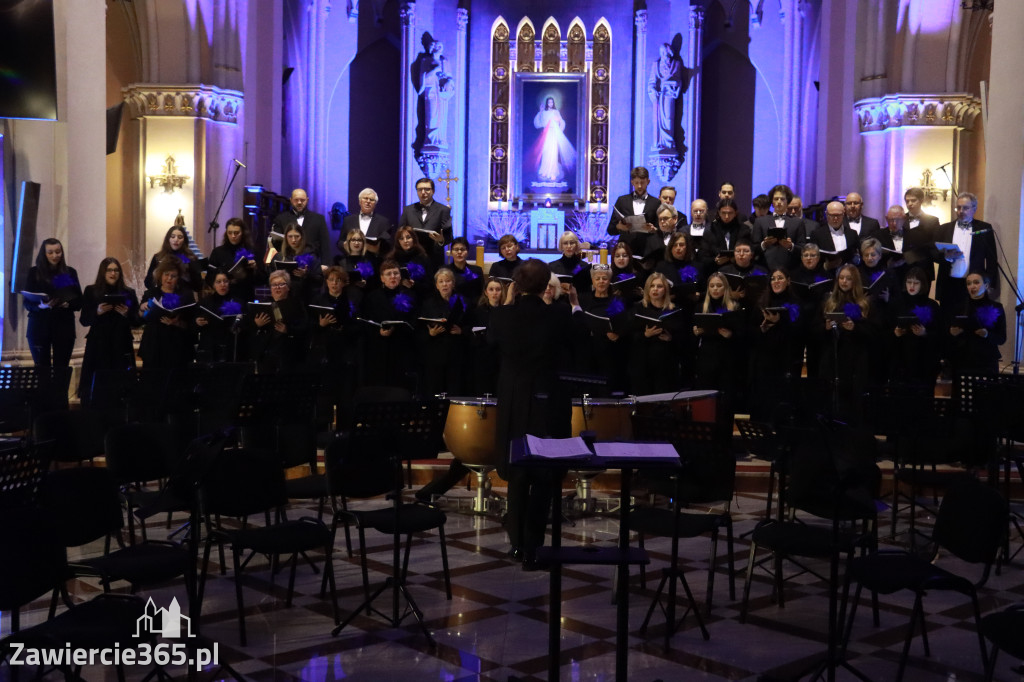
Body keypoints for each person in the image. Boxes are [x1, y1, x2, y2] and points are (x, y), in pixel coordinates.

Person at [489, 259, 575, 564]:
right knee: (544, 473)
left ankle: (516, 542)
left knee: (518, 473)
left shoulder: (501, 316)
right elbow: (575, 341)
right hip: (546, 401)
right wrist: (572, 305)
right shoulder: (559, 315)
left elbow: (491, 344)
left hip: (514, 401)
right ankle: (534, 544)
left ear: (516, 286)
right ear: (546, 287)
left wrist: (509, 303)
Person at [23, 238, 83, 405]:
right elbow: (27, 302)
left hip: (63, 325)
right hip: (39, 325)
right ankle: (42, 410)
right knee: (41, 370)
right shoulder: (35, 273)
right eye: (50, 252)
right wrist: (41, 305)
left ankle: (60, 408)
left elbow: (79, 301)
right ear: (44, 253)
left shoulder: (68, 273)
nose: (55, 255)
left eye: (58, 251)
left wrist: (67, 303)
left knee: (60, 371)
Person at [820, 265, 879, 423]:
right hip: (834, 358)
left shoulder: (864, 304)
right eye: (841, 278)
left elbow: (874, 333)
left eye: (848, 278)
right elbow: (815, 332)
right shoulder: (830, 302)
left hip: (855, 359)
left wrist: (855, 328)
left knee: (852, 402)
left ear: (855, 281)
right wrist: (825, 328)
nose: (844, 281)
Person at [78, 257, 137, 404]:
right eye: (109, 270)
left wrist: (126, 314)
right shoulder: (91, 291)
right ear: (103, 272)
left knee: (120, 384)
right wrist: (96, 312)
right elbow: (84, 320)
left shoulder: (128, 293)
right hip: (98, 343)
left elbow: (136, 321)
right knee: (97, 385)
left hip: (121, 342)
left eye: (116, 270)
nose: (113, 273)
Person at [749, 268, 803, 419]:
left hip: (786, 359)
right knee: (763, 401)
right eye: (773, 278)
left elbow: (800, 332)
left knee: (782, 402)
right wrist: (762, 329)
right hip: (764, 360)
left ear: (788, 281)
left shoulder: (796, 303)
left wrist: (781, 321)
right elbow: (750, 330)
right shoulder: (761, 302)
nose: (776, 281)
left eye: (780, 278)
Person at [933, 191, 998, 316]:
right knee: (947, 321)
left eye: (965, 208)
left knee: (972, 320)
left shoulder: (984, 229)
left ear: (974, 209)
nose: (961, 211)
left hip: (974, 284)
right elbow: (933, 253)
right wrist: (945, 256)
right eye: (958, 207)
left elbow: (991, 259)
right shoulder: (944, 229)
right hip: (949, 284)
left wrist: (990, 284)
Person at [361, 259, 419, 391]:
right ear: (382, 278)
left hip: (402, 348)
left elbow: (414, 320)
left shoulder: (410, 295)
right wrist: (379, 333)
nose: (393, 277)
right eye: (388, 274)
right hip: (379, 350)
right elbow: (366, 322)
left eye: (395, 273)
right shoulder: (372, 297)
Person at [310, 267, 362, 408]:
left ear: (344, 283)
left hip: (347, 352)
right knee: (327, 394)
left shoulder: (352, 300)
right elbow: (310, 327)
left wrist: (344, 328)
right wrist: (321, 325)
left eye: (338, 280)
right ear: (326, 282)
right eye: (331, 280)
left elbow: (359, 326)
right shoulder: (318, 300)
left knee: (346, 394)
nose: (334, 283)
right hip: (326, 352)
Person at [693, 271, 743, 416]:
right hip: (706, 357)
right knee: (706, 399)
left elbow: (742, 335)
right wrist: (695, 332)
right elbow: (693, 334)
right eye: (712, 286)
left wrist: (730, 335)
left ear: (725, 288)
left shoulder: (734, 307)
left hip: (727, 358)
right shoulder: (701, 307)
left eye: (719, 285)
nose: (715, 289)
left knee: (726, 400)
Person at [574, 264, 629, 392]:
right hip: (588, 349)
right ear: (592, 280)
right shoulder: (583, 299)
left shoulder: (617, 300)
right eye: (597, 278)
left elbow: (623, 324)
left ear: (609, 281)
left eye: (604, 278)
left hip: (609, 350)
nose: (601, 282)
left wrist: (617, 334)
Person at [628, 272, 685, 394]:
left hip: (666, 363)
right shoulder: (638, 308)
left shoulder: (674, 310)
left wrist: (671, 339)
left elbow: (683, 339)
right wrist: (645, 335)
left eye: (659, 286)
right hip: (644, 363)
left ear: (665, 289)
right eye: (652, 286)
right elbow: (629, 337)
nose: (655, 289)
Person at [888, 266, 941, 392]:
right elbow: (887, 329)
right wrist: (895, 333)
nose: (912, 286)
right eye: (909, 282)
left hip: (924, 360)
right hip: (902, 358)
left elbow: (940, 334)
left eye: (916, 283)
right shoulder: (896, 303)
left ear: (922, 284)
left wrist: (925, 333)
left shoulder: (932, 305)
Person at [418, 268, 470, 396]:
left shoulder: (463, 302)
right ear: (436, 285)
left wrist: (461, 331)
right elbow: (419, 328)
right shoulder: (428, 304)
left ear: (453, 283)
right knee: (435, 390)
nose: (444, 284)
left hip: (456, 352)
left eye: (447, 281)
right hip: (436, 353)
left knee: (455, 390)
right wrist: (431, 333)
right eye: (441, 282)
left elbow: (472, 324)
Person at [138, 258, 196, 370]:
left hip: (178, 345)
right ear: (160, 275)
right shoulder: (151, 293)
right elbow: (140, 319)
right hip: (154, 344)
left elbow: (191, 324)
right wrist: (141, 308)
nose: (169, 278)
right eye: (166, 274)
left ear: (178, 278)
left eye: (173, 276)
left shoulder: (186, 296)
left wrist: (177, 323)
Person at [948, 271, 1006, 377]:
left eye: (976, 282)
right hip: (963, 358)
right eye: (968, 283)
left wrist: (987, 334)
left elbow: (1002, 338)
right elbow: (948, 337)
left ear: (986, 285)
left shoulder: (996, 307)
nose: (972, 286)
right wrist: (953, 333)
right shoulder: (959, 308)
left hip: (986, 360)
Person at [250, 270, 309, 373]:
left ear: (288, 287)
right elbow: (250, 330)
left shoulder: (296, 305)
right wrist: (257, 324)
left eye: (281, 284)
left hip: (289, 353)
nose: (277, 287)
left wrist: (288, 330)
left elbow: (305, 327)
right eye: (274, 285)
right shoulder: (263, 305)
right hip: (267, 354)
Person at [398, 177, 453, 267]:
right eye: (420, 189)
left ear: (433, 191)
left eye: (427, 189)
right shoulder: (408, 210)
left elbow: (449, 236)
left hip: (433, 259)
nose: (423, 192)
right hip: (412, 257)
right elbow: (400, 232)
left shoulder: (443, 210)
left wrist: (441, 240)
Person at [606, 166, 661, 254]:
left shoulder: (656, 203)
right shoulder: (622, 200)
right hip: (626, 250)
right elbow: (610, 230)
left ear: (648, 182)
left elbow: (660, 229)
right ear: (632, 182)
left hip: (648, 250)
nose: (639, 186)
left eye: (642, 183)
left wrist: (654, 229)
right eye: (636, 183)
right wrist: (619, 227)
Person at [272, 188, 332, 266]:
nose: (299, 202)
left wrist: (326, 265)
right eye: (296, 200)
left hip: (312, 263)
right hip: (288, 261)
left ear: (307, 200)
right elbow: (277, 242)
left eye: (302, 200)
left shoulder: (318, 219)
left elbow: (325, 245)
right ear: (291, 200)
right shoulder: (281, 219)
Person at [195, 272, 246, 363]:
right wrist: (198, 322)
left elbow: (245, 323)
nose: (222, 284)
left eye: (225, 281)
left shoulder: (238, 301)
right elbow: (196, 323)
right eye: (218, 282)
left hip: (232, 345)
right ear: (214, 285)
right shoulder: (205, 303)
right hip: (211, 346)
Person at [468, 278, 506, 395]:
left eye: (498, 289)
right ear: (486, 292)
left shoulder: (507, 312)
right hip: (483, 358)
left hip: (501, 358)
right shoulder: (478, 312)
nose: (495, 292)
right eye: (491, 289)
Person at [207, 217, 259, 302]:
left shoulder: (251, 251)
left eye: (236, 233)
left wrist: (255, 268)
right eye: (230, 233)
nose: (233, 236)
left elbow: (261, 280)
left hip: (245, 296)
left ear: (243, 233)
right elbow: (209, 277)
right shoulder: (218, 252)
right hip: (223, 297)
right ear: (226, 233)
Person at [752, 184, 803, 272]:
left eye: (782, 199)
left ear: (788, 201)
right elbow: (753, 248)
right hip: (765, 269)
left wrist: (791, 246)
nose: (779, 202)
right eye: (776, 199)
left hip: (790, 270)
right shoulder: (760, 221)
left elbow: (803, 248)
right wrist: (764, 244)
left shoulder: (797, 222)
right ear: (772, 202)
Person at [272, 222, 323, 302]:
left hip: (306, 297)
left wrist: (306, 274)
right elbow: (270, 277)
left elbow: (320, 280)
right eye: (290, 236)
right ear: (285, 237)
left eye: (297, 236)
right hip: (284, 298)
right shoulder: (279, 256)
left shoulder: (311, 255)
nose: (293, 240)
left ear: (302, 237)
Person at [144, 225, 202, 294]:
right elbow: (148, 282)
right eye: (173, 236)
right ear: (168, 239)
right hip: (162, 296)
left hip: (184, 297)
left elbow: (199, 286)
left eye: (180, 237)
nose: (176, 240)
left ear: (184, 240)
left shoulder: (191, 258)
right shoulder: (158, 257)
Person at [532, 97, 576, 183]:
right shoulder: (544, 112)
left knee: (553, 152)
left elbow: (561, 122)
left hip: (553, 133)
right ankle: (545, 171)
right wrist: (540, 111)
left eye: (552, 102)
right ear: (547, 103)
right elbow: (539, 123)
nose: (550, 104)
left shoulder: (556, 112)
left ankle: (552, 172)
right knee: (546, 152)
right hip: (546, 134)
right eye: (549, 102)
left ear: (553, 103)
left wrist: (558, 125)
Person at [648, 43, 682, 150]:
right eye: (661, 53)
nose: (663, 55)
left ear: (669, 52)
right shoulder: (656, 65)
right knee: (657, 121)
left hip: (669, 95)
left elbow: (677, 80)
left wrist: (670, 84)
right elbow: (651, 82)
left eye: (665, 52)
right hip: (658, 97)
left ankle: (668, 143)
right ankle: (659, 143)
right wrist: (653, 89)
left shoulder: (676, 64)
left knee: (668, 118)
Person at [703, 198, 752, 271]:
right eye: (723, 213)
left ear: (735, 213)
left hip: (740, 269)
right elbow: (703, 256)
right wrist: (715, 260)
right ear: (719, 213)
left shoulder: (744, 230)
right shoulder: (710, 230)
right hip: (715, 270)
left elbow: (750, 251)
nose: (726, 216)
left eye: (730, 213)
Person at [340, 188, 393, 255]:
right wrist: (346, 245)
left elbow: (388, 246)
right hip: (352, 260)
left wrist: (375, 248)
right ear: (360, 201)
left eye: (371, 200)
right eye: (365, 198)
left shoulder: (383, 222)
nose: (368, 201)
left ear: (375, 204)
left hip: (374, 262)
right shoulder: (348, 220)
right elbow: (340, 242)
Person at [388, 225, 435, 299]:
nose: (405, 241)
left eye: (408, 237)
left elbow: (430, 283)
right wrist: (400, 282)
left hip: (420, 298)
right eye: (401, 238)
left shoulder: (423, 258)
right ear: (398, 242)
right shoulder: (391, 259)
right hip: (396, 297)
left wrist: (414, 285)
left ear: (414, 239)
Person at [810, 201, 860, 270]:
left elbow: (857, 255)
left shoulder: (852, 234)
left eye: (838, 215)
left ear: (843, 214)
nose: (835, 218)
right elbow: (812, 260)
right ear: (826, 214)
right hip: (827, 276)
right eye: (832, 215)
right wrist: (826, 266)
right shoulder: (817, 235)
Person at [449, 237, 484, 302]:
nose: (459, 252)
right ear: (451, 252)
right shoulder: (445, 271)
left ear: (467, 252)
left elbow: (481, 293)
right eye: (456, 249)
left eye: (462, 249)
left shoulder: (476, 271)